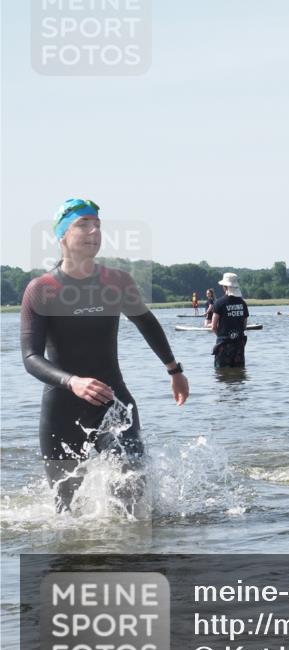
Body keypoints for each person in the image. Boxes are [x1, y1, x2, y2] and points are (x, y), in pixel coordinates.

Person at [20, 198, 189, 512]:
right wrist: (72, 382)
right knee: (64, 510)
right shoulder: (42, 289)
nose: (94, 230)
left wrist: (174, 370)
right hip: (62, 409)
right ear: (61, 236)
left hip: (113, 401)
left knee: (134, 485)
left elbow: (146, 322)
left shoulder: (116, 282)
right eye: (82, 224)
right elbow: (31, 357)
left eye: (97, 224)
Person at [211, 272, 250, 367]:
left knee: (222, 374)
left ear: (225, 286)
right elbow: (244, 326)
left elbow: (213, 326)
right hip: (239, 345)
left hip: (223, 345)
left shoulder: (219, 303)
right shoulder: (243, 303)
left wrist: (221, 336)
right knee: (239, 375)